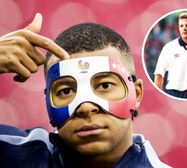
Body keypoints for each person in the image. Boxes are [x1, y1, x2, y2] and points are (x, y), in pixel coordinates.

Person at [0, 13, 171, 168]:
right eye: (66, 90)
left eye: (105, 85)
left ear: (137, 94)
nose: (86, 108)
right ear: (47, 101)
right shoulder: (13, 153)